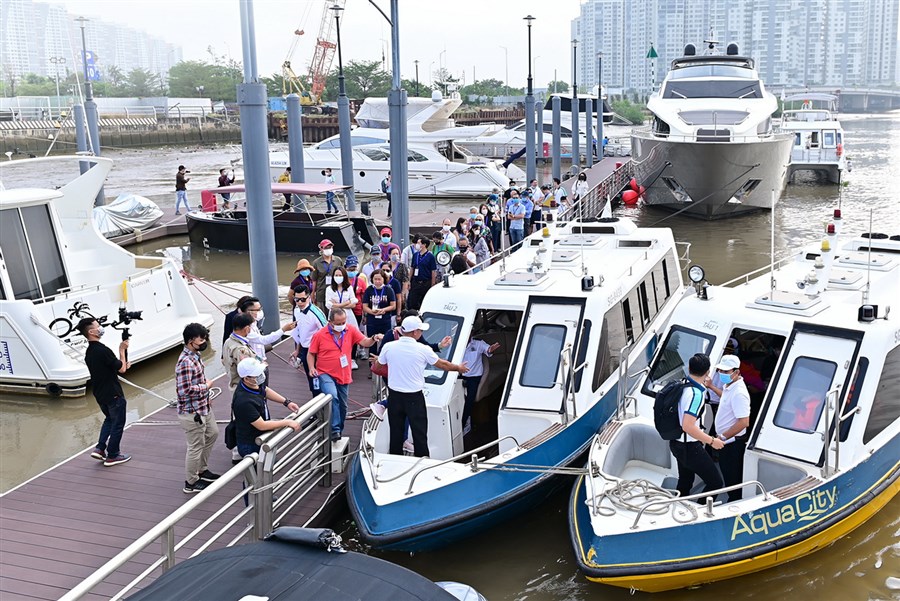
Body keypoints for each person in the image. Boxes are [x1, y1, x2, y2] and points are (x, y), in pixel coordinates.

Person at [376, 316, 468, 457]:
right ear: (415, 332)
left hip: (394, 396)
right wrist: (458, 368)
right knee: (419, 432)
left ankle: (395, 458)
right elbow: (442, 364)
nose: (421, 333)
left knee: (396, 432)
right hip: (414, 397)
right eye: (420, 330)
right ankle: (422, 459)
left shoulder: (389, 347)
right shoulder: (423, 349)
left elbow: (378, 365)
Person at [307, 308, 383, 441]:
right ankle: (335, 430)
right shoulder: (319, 335)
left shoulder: (350, 330)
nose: (342, 325)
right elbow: (311, 353)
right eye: (338, 323)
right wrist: (311, 367)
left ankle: (338, 430)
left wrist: (373, 338)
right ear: (330, 322)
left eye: (343, 322)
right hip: (325, 373)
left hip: (343, 374)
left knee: (343, 406)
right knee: (333, 397)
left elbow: (364, 342)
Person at [76, 317, 131, 467]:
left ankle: (100, 448)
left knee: (109, 419)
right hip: (113, 393)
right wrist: (122, 349)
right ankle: (113, 455)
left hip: (100, 394)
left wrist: (122, 362)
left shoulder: (89, 352)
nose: (100, 327)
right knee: (118, 423)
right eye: (98, 326)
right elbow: (122, 369)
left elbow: (112, 367)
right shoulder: (103, 350)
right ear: (91, 332)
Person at [670, 354, 725, 503]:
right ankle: (701, 510)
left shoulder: (682, 384)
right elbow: (688, 426)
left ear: (689, 368)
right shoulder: (696, 394)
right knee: (715, 483)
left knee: (685, 479)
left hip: (676, 442)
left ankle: (679, 505)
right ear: (707, 372)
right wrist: (712, 441)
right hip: (689, 447)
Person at [175, 323, 220, 494]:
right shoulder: (185, 362)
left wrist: (206, 396)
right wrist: (206, 387)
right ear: (190, 341)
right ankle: (191, 482)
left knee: (212, 433)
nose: (204, 342)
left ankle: (202, 469)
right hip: (192, 412)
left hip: (203, 406)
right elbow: (184, 390)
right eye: (201, 340)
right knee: (195, 446)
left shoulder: (196, 355)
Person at [232, 358, 301, 461]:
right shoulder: (244, 401)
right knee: (262, 467)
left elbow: (265, 390)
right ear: (246, 379)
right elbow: (262, 425)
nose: (261, 375)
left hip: (261, 436)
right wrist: (287, 422)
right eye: (257, 374)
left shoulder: (253, 384)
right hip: (251, 443)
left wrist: (286, 402)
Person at [713, 355, 751, 501]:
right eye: (720, 370)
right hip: (726, 441)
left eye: (726, 371)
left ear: (736, 372)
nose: (721, 373)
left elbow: (744, 422)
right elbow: (725, 397)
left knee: (732, 478)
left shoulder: (739, 393)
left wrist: (722, 437)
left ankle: (734, 501)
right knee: (726, 473)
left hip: (732, 443)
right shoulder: (729, 387)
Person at [240, 297, 297, 370]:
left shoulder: (254, 322)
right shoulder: (246, 329)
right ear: (249, 312)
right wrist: (283, 329)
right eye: (258, 309)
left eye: (261, 308)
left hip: (260, 361)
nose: (260, 311)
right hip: (253, 363)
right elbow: (264, 340)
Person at [290, 285, 327, 394]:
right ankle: (316, 396)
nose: (299, 302)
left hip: (317, 351)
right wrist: (297, 350)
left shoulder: (316, 313)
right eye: (297, 299)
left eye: (303, 299)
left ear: (309, 297)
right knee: (311, 379)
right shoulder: (296, 310)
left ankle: (322, 398)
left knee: (319, 378)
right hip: (305, 349)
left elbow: (327, 332)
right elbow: (299, 331)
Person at [460, 337, 500, 434]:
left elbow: (488, 349)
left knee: (469, 401)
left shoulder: (478, 343)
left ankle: (462, 427)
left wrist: (491, 349)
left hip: (474, 377)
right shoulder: (457, 342)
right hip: (458, 375)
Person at [222, 313, 257, 388]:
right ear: (247, 329)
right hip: (244, 387)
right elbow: (248, 373)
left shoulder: (228, 341)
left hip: (234, 384)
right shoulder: (240, 349)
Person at [324, 265, 359, 335]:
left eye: (340, 275)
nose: (338, 277)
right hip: (334, 316)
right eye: (336, 275)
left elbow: (353, 303)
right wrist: (346, 303)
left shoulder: (349, 288)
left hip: (348, 315)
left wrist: (336, 305)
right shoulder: (329, 289)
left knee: (350, 334)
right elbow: (328, 305)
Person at [406, 235, 438, 311]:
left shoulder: (430, 256)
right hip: (415, 282)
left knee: (423, 301)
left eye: (419, 243)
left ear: (424, 245)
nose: (417, 245)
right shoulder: (415, 255)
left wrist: (432, 284)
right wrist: (409, 280)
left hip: (426, 282)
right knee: (412, 302)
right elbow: (412, 268)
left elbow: (433, 271)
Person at [362, 270, 396, 338]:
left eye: (379, 279)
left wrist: (383, 310)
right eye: (375, 279)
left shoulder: (388, 290)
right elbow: (365, 306)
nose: (377, 281)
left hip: (385, 320)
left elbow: (393, 306)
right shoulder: (369, 290)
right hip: (372, 321)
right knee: (372, 340)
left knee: (385, 340)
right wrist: (372, 312)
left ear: (383, 279)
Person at [312, 239, 343, 309]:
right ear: (321, 249)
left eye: (330, 247)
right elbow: (314, 280)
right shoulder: (316, 263)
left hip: (335, 292)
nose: (328, 249)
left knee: (335, 312)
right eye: (326, 248)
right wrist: (313, 293)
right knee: (322, 313)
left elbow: (343, 275)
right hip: (321, 293)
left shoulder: (338, 260)